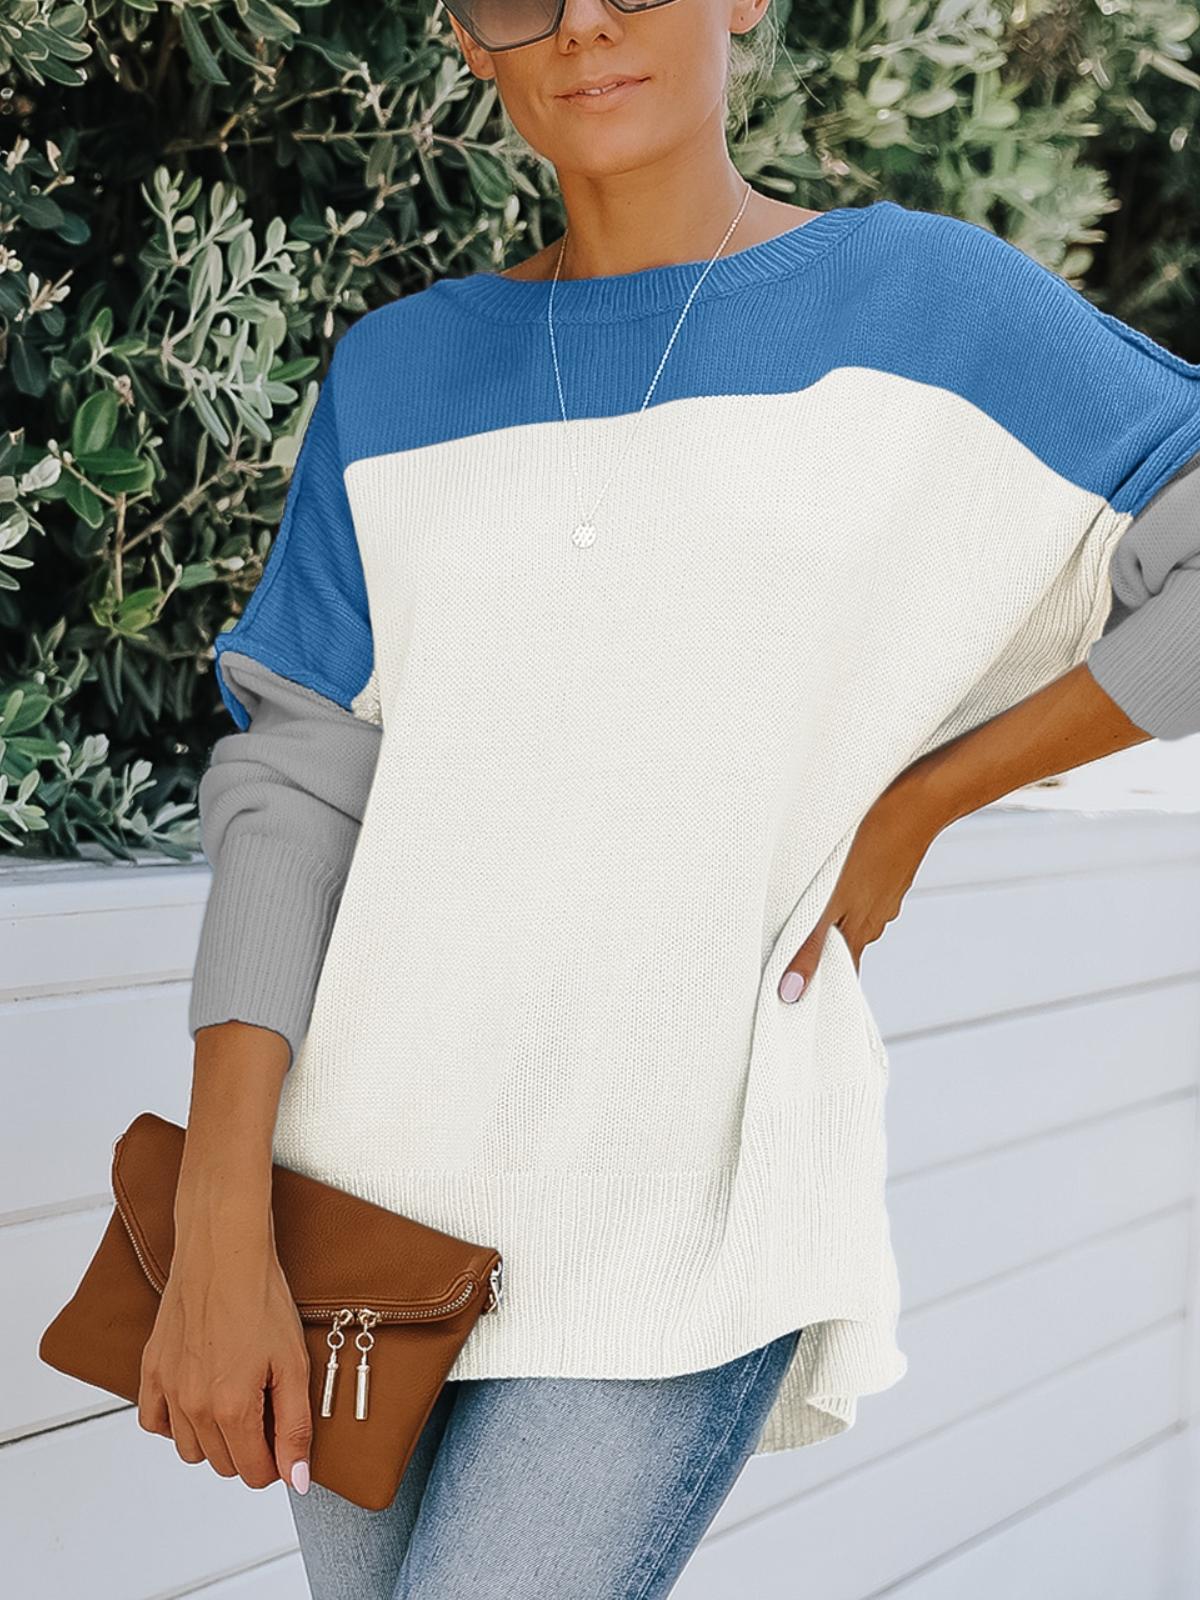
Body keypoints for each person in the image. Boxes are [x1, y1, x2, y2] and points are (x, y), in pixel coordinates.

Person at [140, 0, 1200, 1595]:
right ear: (468, 39)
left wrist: (923, 800)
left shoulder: (921, 304)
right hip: (358, 1203)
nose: (583, 26)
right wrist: (218, 1220)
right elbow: (293, 793)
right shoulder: (400, 370)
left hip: (688, 1197)